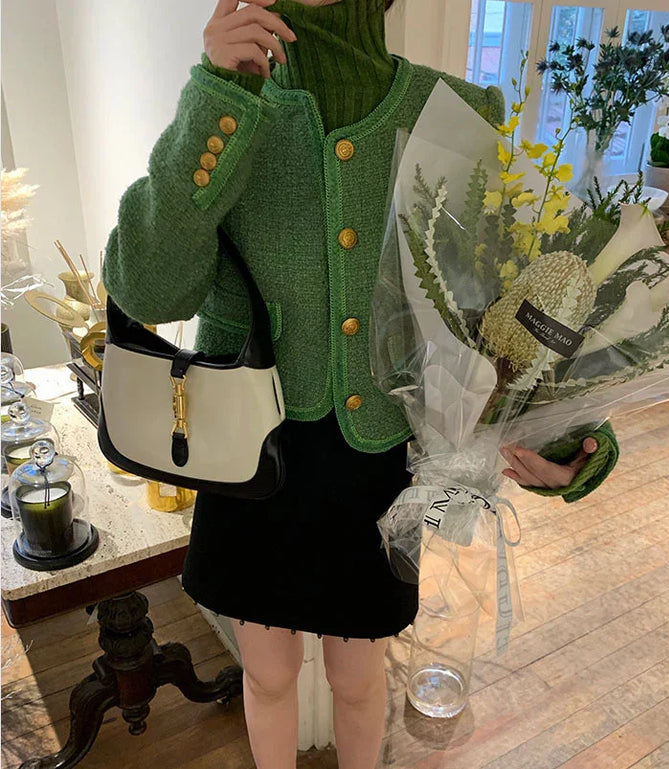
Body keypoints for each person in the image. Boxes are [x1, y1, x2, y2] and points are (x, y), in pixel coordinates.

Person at [101, 0, 620, 766]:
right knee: (269, 672)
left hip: (379, 460)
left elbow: (503, 311)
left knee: (358, 670)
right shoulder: (230, 105)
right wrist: (215, 95)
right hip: (247, 454)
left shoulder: (456, 113)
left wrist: (568, 428)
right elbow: (148, 287)